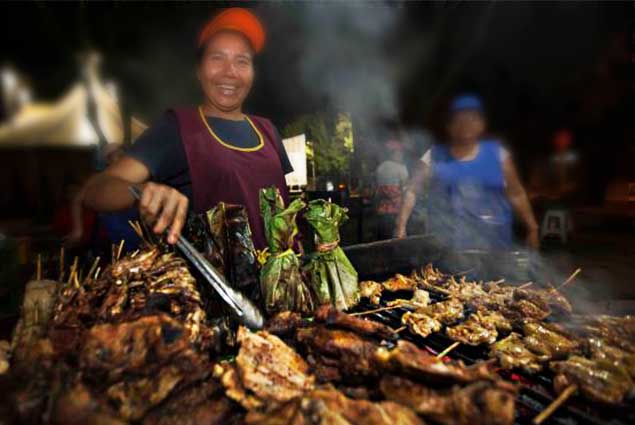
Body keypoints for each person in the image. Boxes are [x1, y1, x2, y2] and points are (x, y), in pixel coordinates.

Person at [82, 8, 293, 251]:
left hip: (280, 285)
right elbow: (96, 190)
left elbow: (282, 213)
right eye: (217, 58)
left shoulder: (268, 131)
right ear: (199, 71)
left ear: (253, 74)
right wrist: (141, 191)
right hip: (209, 286)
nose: (230, 72)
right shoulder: (177, 128)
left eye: (242, 61)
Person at [395, 94, 539, 250]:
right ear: (449, 126)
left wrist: (532, 227)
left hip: (494, 247)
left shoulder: (498, 155)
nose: (465, 124)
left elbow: (516, 193)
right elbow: (412, 191)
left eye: (472, 119)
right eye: (459, 120)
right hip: (448, 248)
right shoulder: (434, 156)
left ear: (482, 124)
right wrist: (401, 226)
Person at [374, 139, 409, 239]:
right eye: (400, 152)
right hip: (397, 212)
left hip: (382, 211)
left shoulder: (380, 168)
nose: (402, 155)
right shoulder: (401, 168)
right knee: (397, 242)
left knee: (382, 241)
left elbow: (378, 189)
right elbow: (406, 190)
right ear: (394, 153)